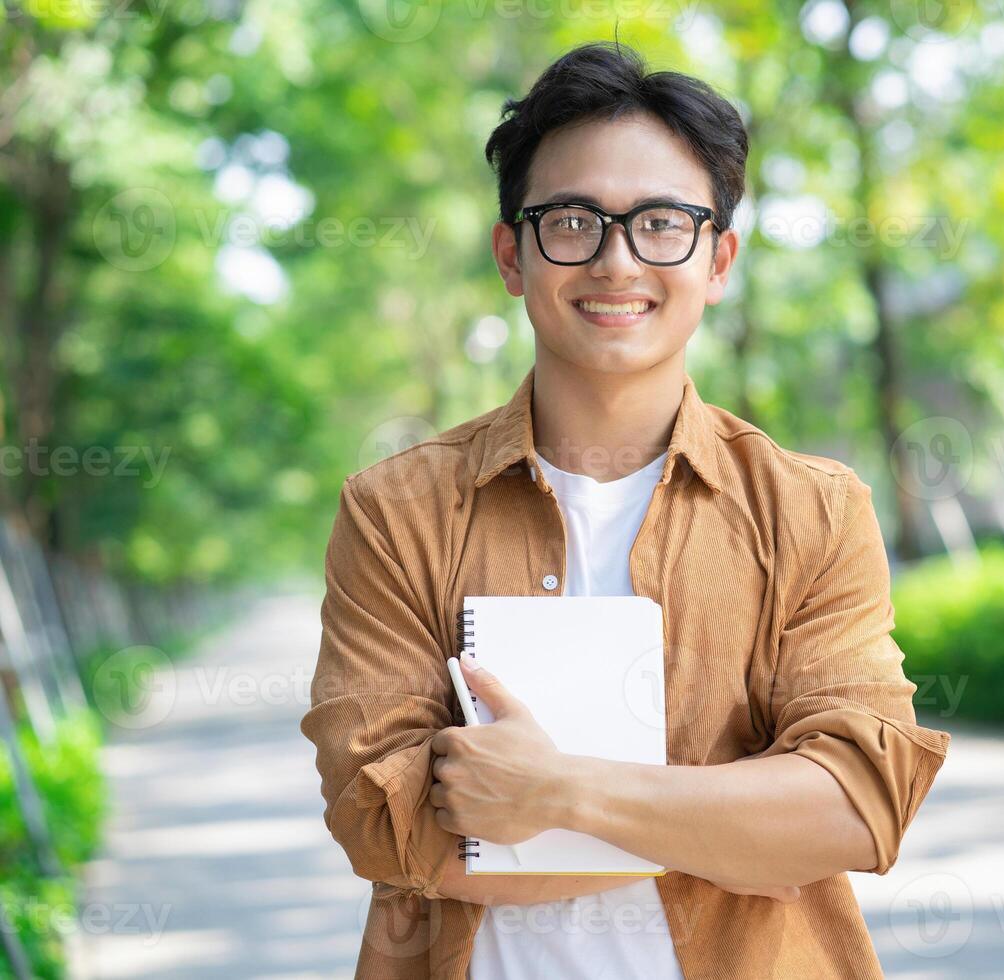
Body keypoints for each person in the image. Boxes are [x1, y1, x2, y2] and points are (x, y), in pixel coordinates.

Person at [301, 40, 951, 979]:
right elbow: (384, 822)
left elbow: (855, 807)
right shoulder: (396, 512)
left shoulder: (812, 511)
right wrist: (740, 840)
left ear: (718, 258)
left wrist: (555, 792)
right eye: (571, 220)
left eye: (662, 224)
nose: (615, 261)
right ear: (511, 255)